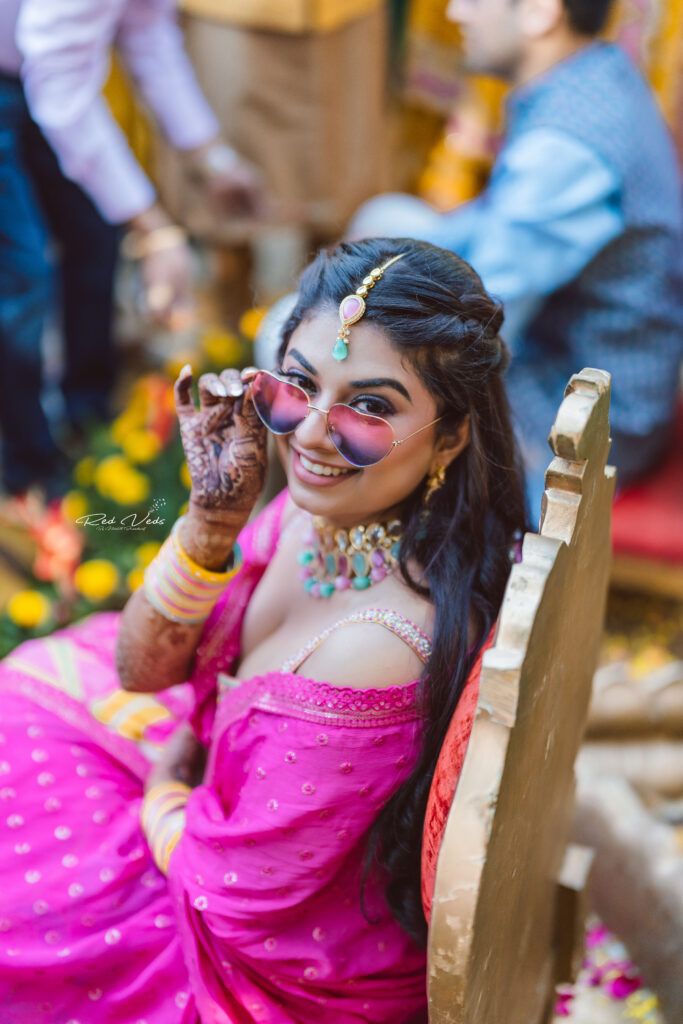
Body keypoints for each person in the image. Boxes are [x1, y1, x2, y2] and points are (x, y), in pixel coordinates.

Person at [0, 237, 527, 1023]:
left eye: (371, 407)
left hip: (246, 948)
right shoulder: (325, 518)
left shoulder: (378, 650)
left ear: (450, 437)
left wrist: (163, 789)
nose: (313, 434)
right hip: (215, 798)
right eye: (299, 385)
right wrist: (210, 525)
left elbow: (237, 898)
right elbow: (144, 671)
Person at [349, 0, 683, 516]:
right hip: (568, 350)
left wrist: (348, 358)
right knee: (382, 224)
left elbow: (482, 329)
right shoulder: (594, 71)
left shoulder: (565, 147)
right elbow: (496, 235)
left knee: (325, 356)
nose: (457, 14)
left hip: (580, 420)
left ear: (540, 12)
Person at [0, 0, 263, 500]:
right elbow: (60, 83)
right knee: (22, 279)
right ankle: (27, 471)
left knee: (97, 237)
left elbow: (147, 33)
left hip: (43, 68)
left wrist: (212, 157)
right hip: (34, 71)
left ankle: (88, 428)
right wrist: (156, 232)